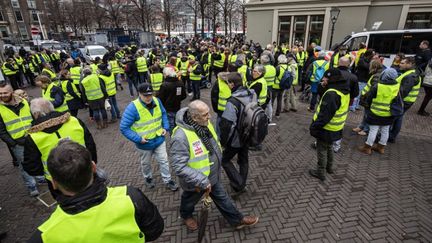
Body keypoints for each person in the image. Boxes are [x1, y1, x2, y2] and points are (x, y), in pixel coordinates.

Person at [28, 140, 164, 242]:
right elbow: (155, 230)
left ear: (54, 183)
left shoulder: (44, 236)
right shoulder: (130, 196)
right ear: (94, 167)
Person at [170, 100, 259, 231]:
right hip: (196, 182)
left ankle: (237, 220)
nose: (209, 116)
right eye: (205, 114)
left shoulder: (204, 123)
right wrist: (201, 180)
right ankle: (186, 215)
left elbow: (213, 144)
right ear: (194, 117)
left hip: (211, 175)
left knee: (222, 198)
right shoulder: (180, 137)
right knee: (189, 200)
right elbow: (179, 167)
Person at [22, 98, 97, 199]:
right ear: (52, 108)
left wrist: (47, 173)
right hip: (85, 171)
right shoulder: (74, 121)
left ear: (35, 114)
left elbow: (32, 167)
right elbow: (90, 145)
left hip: (58, 182)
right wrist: (92, 162)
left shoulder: (33, 137)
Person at [120, 83, 178, 191]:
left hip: (159, 139)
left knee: (164, 160)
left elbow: (164, 114)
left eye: (150, 95)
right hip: (144, 143)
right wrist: (138, 139)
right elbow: (124, 128)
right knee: (146, 163)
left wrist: (165, 127)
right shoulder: (133, 107)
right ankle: (148, 178)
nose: (148, 98)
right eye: (145, 95)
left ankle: (168, 180)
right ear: (139, 94)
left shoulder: (157, 101)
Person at [0, 83, 42, 196]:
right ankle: (31, 185)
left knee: (37, 158)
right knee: (24, 165)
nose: (2, 95)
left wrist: (35, 131)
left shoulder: (24, 102)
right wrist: (12, 143)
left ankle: (39, 177)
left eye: (5, 92)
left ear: (12, 92)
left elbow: (33, 118)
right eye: (0, 93)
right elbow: (1, 131)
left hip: (32, 137)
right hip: (17, 142)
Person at [309, 68, 350, 181]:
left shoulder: (332, 94)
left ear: (331, 79)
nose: (323, 79)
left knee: (322, 149)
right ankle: (329, 167)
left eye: (325, 78)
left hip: (327, 127)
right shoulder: (343, 90)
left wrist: (315, 126)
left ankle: (320, 171)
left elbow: (325, 114)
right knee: (329, 147)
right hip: (337, 127)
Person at [219, 73, 255, 195]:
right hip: (248, 134)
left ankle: (239, 183)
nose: (227, 85)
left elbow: (227, 125)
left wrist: (223, 142)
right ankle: (241, 183)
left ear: (232, 84)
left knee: (224, 160)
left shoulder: (233, 101)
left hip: (236, 138)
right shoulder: (251, 94)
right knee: (244, 159)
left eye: (228, 83)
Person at [358, 68, 399, 155]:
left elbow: (369, 98)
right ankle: (381, 147)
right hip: (389, 113)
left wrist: (368, 106)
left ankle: (367, 147)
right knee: (385, 130)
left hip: (375, 112)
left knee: (373, 130)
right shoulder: (397, 86)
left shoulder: (378, 86)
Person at [389, 57, 421, 143]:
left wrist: (394, 100)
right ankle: (391, 136)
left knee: (394, 118)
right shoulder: (411, 73)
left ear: (410, 64)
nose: (400, 64)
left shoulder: (410, 76)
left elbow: (403, 91)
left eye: (403, 63)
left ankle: (389, 136)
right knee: (398, 117)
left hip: (403, 101)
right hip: (406, 101)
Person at [157, 67, 187, 133]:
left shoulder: (164, 85)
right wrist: (177, 99)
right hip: (177, 107)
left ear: (166, 75)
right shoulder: (180, 83)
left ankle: (173, 139)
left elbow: (160, 99)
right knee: (177, 124)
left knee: (171, 126)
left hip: (168, 109)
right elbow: (184, 96)